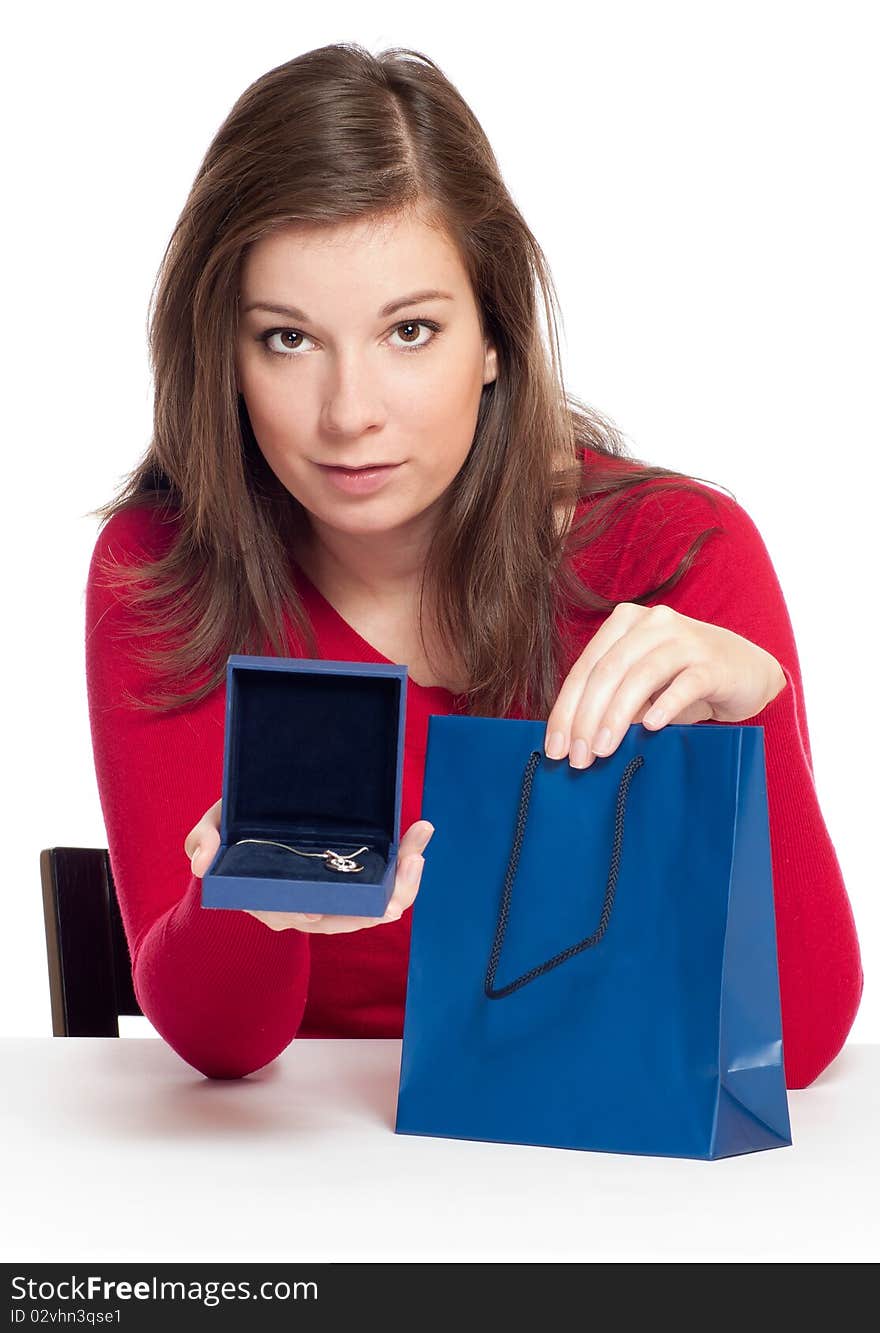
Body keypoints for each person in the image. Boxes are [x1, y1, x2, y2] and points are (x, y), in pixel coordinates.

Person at [85, 42, 862, 1088]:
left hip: (593, 1182)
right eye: (286, 340)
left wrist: (752, 713)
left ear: (495, 335)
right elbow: (222, 1046)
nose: (350, 412)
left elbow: (796, 1040)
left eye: (410, 330)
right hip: (298, 1183)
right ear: (220, 351)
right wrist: (247, 900)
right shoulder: (159, 574)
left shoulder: (677, 555)